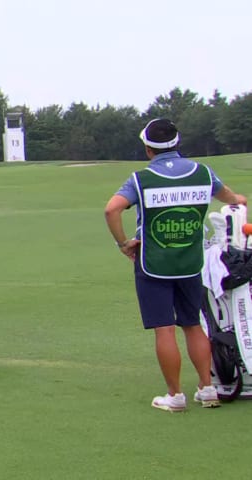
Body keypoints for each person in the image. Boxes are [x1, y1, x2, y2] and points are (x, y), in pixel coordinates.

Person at [104, 118, 246, 412]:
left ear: (148, 148)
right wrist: (239, 199)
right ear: (176, 143)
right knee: (193, 324)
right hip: (191, 262)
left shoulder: (140, 179)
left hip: (153, 262)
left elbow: (112, 209)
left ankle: (175, 395)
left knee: (164, 328)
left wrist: (123, 243)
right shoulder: (203, 173)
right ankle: (207, 389)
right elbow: (231, 198)